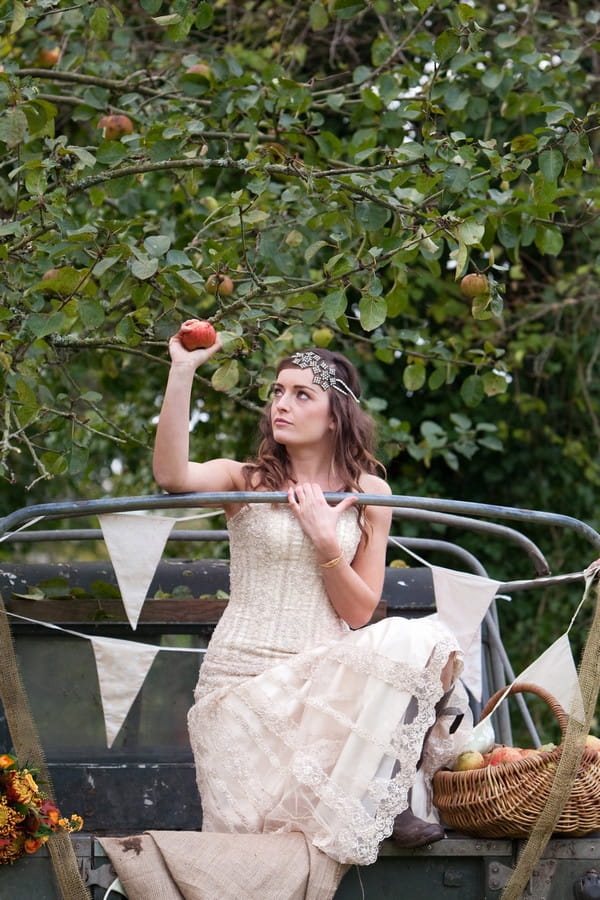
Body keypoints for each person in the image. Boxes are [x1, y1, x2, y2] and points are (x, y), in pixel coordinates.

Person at [152, 332, 471, 871]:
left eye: (302, 394)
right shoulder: (246, 481)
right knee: (249, 857)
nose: (281, 403)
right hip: (242, 687)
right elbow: (171, 476)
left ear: (333, 417)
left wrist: (328, 544)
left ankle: (392, 794)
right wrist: (183, 370)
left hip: (326, 685)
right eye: (278, 392)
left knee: (420, 636)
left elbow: (358, 613)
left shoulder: (369, 492)